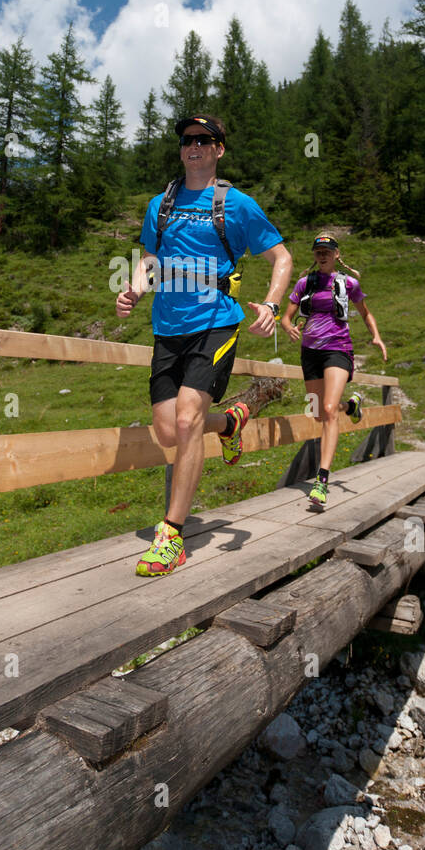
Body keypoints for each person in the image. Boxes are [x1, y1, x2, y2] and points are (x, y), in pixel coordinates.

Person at [116, 113, 292, 576]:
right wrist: (135, 286)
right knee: (170, 431)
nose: (193, 147)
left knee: (189, 418)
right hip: (167, 326)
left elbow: (282, 257)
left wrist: (273, 306)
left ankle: (172, 534)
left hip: (216, 322)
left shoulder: (237, 205)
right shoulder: (161, 203)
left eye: (204, 140)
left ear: (219, 149)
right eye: (187, 140)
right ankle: (232, 421)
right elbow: (150, 257)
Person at [281, 231, 387, 512]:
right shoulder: (305, 283)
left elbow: (365, 312)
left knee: (327, 409)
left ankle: (322, 481)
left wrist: (376, 336)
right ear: (314, 256)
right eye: (318, 251)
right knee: (318, 412)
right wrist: (287, 325)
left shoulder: (348, 283)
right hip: (310, 352)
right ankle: (350, 405)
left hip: (338, 349)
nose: (323, 254)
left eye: (328, 250)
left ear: (337, 254)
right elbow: (286, 315)